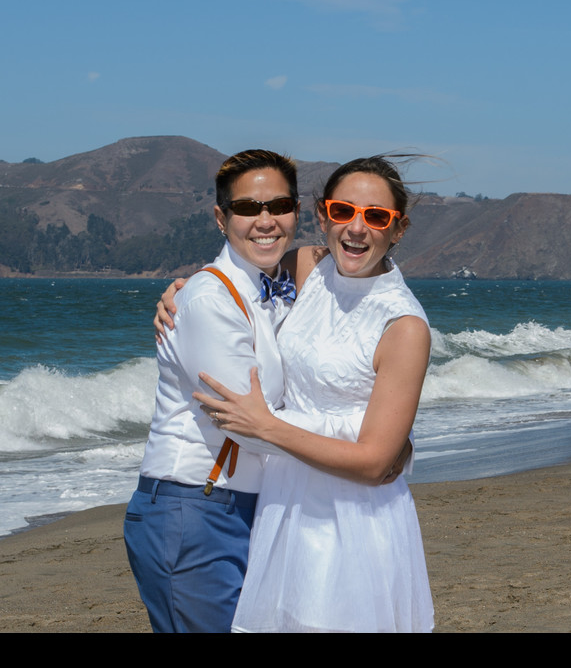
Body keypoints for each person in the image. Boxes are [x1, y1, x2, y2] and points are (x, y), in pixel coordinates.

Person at [195, 155, 434, 632]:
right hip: (286, 500)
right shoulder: (308, 268)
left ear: (398, 229)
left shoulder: (404, 326)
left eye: (376, 217)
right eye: (343, 211)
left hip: (353, 519)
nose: (357, 228)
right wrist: (184, 289)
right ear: (324, 215)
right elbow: (235, 280)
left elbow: (373, 463)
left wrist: (268, 427)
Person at [125, 149, 301, 633]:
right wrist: (361, 445)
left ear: (297, 212)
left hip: (246, 504)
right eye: (247, 208)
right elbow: (247, 424)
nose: (265, 220)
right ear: (222, 219)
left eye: (279, 206)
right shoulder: (207, 299)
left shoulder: (271, 289)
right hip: (195, 508)